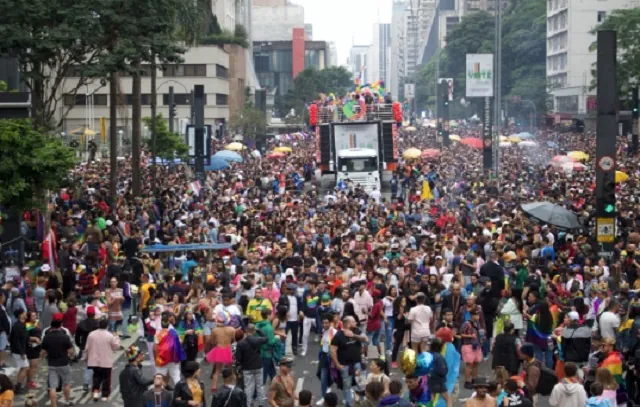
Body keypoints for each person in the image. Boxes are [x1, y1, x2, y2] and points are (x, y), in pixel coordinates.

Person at [331, 316, 368, 407]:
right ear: (348, 324)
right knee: (347, 387)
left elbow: (366, 339)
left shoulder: (357, 331)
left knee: (361, 384)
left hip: (357, 364)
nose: (356, 323)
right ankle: (349, 404)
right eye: (353, 322)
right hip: (345, 366)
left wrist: (353, 336)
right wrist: (337, 364)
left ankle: (362, 404)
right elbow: (332, 350)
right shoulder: (338, 335)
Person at [41, 312, 74, 407]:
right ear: (60, 325)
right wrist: (71, 356)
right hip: (64, 363)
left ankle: (54, 405)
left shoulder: (47, 337)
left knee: (52, 386)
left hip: (52, 364)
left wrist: (43, 357)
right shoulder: (65, 336)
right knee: (66, 383)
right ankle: (67, 401)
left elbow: (43, 352)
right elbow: (71, 350)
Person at [84, 317, 121, 401]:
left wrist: (85, 358)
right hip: (106, 361)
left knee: (96, 376)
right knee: (106, 378)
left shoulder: (91, 334)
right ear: (107, 326)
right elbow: (115, 347)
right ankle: (104, 395)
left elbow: (87, 348)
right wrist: (117, 337)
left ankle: (96, 393)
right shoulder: (109, 335)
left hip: (94, 361)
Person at [235, 324, 268, 407]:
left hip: (247, 368)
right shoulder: (258, 340)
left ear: (246, 331)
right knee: (260, 386)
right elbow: (266, 338)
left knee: (248, 388)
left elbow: (238, 358)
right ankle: (261, 404)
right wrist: (258, 330)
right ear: (254, 331)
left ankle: (249, 404)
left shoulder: (241, 343)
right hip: (258, 366)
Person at [207, 311, 236, 392]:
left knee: (217, 370)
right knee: (232, 370)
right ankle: (234, 385)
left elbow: (212, 342)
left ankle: (214, 387)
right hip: (228, 350)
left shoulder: (215, 330)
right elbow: (233, 340)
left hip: (219, 350)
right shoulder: (232, 329)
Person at [75, 305, 99, 392]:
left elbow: (77, 337)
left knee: (87, 365)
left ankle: (86, 383)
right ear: (94, 314)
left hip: (85, 345)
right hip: (95, 346)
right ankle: (95, 384)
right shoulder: (97, 323)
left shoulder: (81, 324)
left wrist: (79, 345)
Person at [461, 307, 483, 389]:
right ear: (472, 315)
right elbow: (461, 334)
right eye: (476, 314)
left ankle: (474, 379)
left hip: (477, 345)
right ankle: (467, 381)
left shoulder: (477, 323)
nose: (477, 316)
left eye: (478, 314)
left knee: (476, 363)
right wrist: (470, 336)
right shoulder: (467, 323)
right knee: (469, 364)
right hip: (468, 345)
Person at [9, 309, 27, 394]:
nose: (25, 314)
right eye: (24, 313)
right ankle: (17, 386)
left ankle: (16, 386)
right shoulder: (17, 326)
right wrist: (22, 353)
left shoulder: (22, 324)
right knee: (25, 367)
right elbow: (15, 340)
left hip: (19, 350)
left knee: (22, 368)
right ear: (20, 315)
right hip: (18, 351)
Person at [429, 338, 451, 407]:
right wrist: (446, 369)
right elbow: (442, 371)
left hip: (429, 379)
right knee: (448, 399)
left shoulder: (428, 354)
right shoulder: (439, 357)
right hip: (438, 381)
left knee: (431, 398)